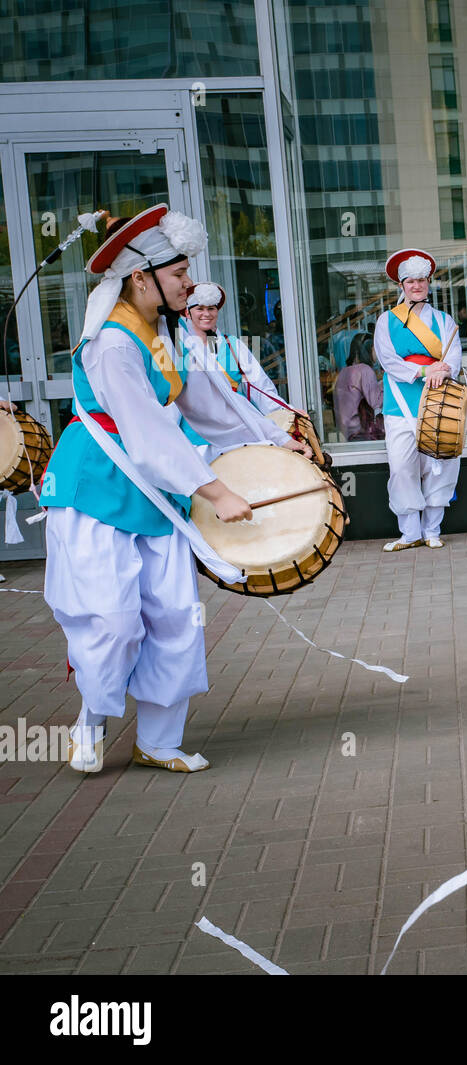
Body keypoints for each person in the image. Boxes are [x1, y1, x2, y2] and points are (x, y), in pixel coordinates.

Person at [37, 204, 310, 774]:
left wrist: (276, 441)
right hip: (99, 487)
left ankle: (158, 740)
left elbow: (207, 402)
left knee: (176, 617)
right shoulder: (113, 344)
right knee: (113, 621)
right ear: (142, 279)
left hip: (155, 493)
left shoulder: (162, 332)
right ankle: (90, 723)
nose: (192, 283)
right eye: (180, 274)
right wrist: (215, 491)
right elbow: (144, 434)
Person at [373, 248, 467, 550]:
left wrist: (442, 371)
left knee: (440, 464)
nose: (416, 286)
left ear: (428, 283)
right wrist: (424, 370)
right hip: (399, 402)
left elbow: (453, 356)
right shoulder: (386, 321)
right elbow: (388, 361)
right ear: (402, 286)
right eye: (410, 281)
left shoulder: (444, 320)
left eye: (421, 280)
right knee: (401, 466)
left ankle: (432, 529)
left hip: (439, 398)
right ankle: (409, 533)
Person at [180, 282, 286, 415]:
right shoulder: (179, 348)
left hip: (236, 428)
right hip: (193, 432)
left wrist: (285, 413)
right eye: (200, 309)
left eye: (211, 308)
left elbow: (261, 388)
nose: (206, 314)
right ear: (187, 313)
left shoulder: (233, 345)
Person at [333, 332, 384, 441]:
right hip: (362, 433)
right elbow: (376, 402)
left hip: (347, 432)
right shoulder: (365, 370)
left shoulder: (344, 372)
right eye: (375, 348)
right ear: (368, 349)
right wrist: (386, 382)